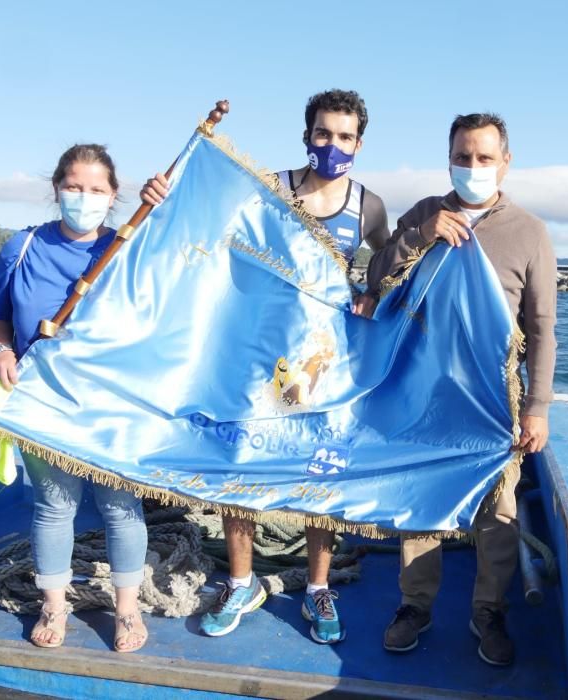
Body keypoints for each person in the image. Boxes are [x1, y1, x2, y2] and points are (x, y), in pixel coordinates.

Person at [142, 89, 390, 644]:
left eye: (344, 136)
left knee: (323, 473)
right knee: (243, 464)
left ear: (359, 143)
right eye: (323, 133)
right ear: (307, 136)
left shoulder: (368, 205)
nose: (332, 145)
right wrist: (164, 197)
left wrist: (371, 294)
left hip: (326, 366)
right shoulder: (271, 190)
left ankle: (318, 588)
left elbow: (387, 260)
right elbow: (205, 225)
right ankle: (240, 581)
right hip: (256, 356)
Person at [363, 112, 556, 666]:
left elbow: (542, 328)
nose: (473, 167)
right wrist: (422, 236)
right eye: (463, 156)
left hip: (495, 401)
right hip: (423, 396)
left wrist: (538, 408)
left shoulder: (529, 232)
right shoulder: (426, 212)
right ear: (449, 157)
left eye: (484, 157)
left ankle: (488, 611)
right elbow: (377, 277)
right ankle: (414, 606)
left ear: (505, 162)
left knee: (497, 514)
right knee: (421, 505)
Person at [0, 144, 149, 652]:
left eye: (97, 189)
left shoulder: (128, 247)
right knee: (55, 508)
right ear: (56, 189)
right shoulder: (23, 246)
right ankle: (54, 604)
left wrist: (158, 208)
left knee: (122, 506)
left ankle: (127, 609)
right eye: (74, 187)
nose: (84, 197)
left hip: (110, 400)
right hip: (40, 399)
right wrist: (1, 349)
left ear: (114, 196)